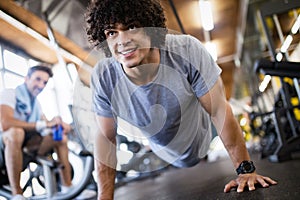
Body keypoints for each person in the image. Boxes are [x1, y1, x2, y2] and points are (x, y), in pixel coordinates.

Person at [85, 0, 277, 199]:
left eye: (132, 27)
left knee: (211, 106)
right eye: (111, 33)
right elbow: (106, 138)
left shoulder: (186, 49)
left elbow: (219, 110)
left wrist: (246, 171)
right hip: (163, 148)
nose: (122, 40)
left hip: (201, 132)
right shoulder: (104, 76)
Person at [0, 66, 95, 200]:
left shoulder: (36, 104)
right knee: (16, 132)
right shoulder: (10, 94)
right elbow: (5, 123)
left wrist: (58, 124)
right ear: (26, 79)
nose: (41, 85)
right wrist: (45, 124)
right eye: (37, 79)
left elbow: (44, 125)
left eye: (44, 82)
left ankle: (67, 186)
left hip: (25, 148)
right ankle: (17, 194)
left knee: (59, 135)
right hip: (4, 149)